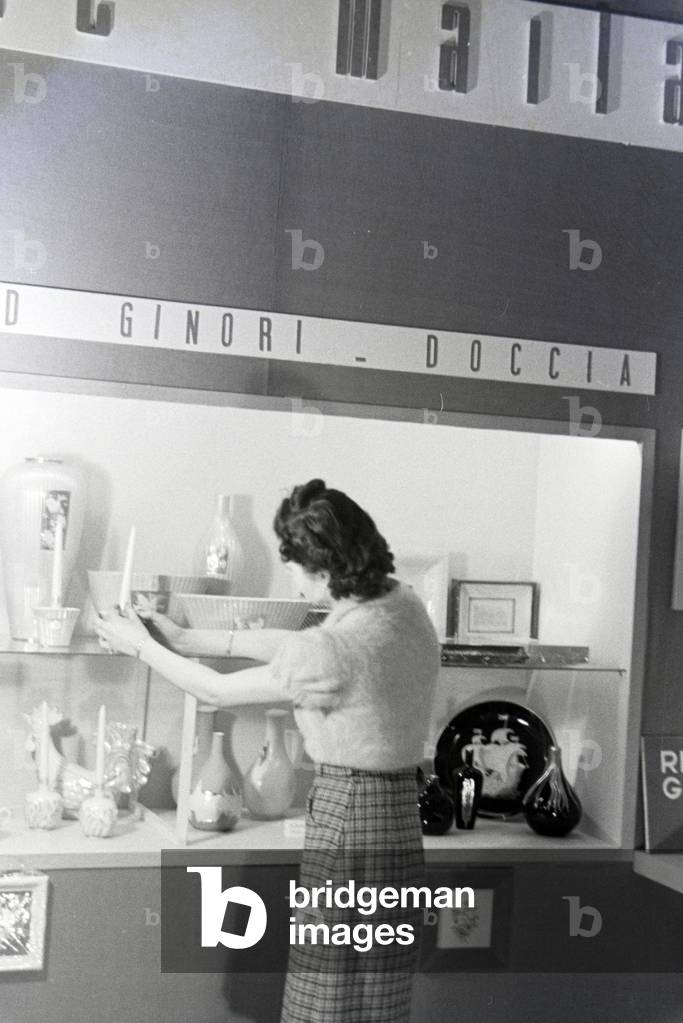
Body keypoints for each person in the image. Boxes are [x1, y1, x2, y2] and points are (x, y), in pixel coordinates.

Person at [97, 478, 441, 1023]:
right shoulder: (399, 606)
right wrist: (190, 640)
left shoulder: (335, 649)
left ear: (324, 572)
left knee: (329, 989)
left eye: (298, 574)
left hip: (350, 813)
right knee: (376, 982)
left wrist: (139, 645)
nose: (297, 586)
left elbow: (216, 691)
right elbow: (299, 645)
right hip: (397, 815)